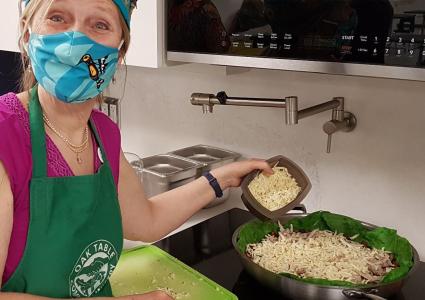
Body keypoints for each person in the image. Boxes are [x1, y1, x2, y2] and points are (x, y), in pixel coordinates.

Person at [0, 0, 273, 299]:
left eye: (99, 25)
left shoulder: (102, 133)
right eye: (57, 17)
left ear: (118, 53)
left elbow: (145, 221)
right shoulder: (6, 136)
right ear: (27, 34)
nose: (76, 40)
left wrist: (220, 178)